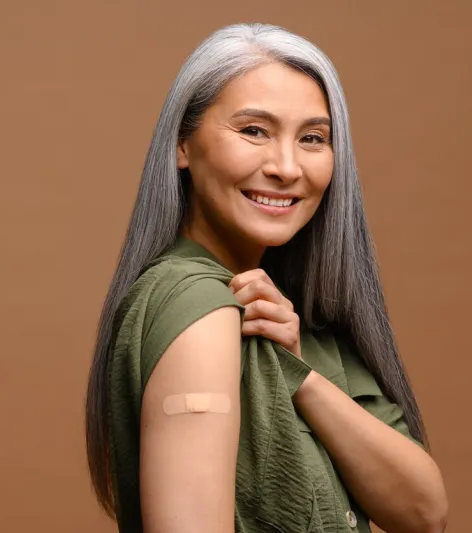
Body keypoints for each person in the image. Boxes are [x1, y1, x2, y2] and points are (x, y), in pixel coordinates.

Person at [84, 23, 448, 533]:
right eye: (254, 130)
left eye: (313, 138)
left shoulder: (294, 319)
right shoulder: (202, 310)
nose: (286, 166)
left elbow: (425, 513)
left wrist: (300, 376)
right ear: (181, 145)